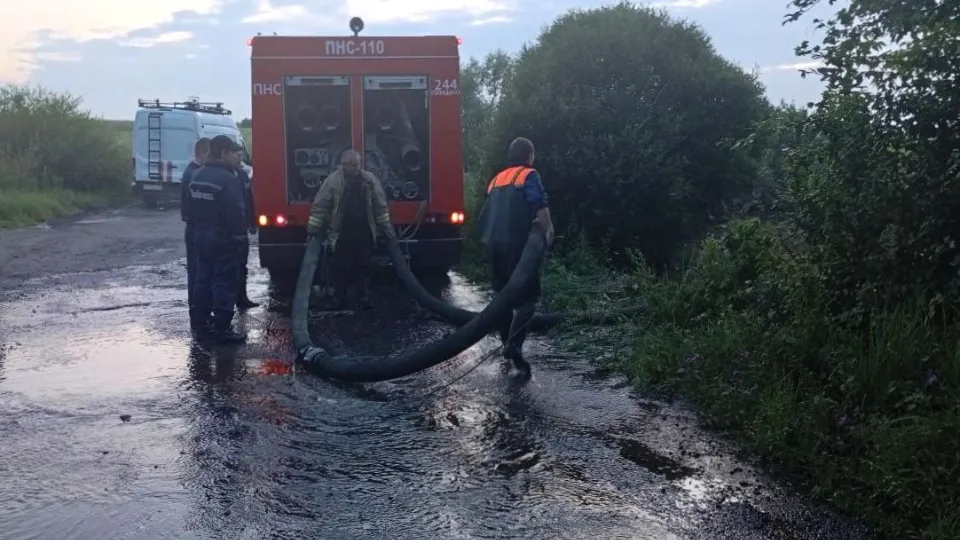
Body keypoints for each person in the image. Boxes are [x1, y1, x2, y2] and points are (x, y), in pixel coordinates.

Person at [476, 137, 555, 378]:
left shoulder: (497, 179)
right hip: (518, 247)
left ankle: (506, 344)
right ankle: (514, 345)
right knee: (529, 299)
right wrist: (548, 229)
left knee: (503, 297)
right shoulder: (528, 175)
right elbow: (539, 203)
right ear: (529, 156)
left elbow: (483, 215)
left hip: (494, 245)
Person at [306, 149, 394, 310]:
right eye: (351, 165)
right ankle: (340, 297)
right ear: (343, 165)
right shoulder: (333, 181)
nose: (355, 168)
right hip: (342, 233)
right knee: (340, 267)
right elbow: (321, 206)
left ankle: (362, 297)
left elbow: (380, 206)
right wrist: (313, 229)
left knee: (363, 265)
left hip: (363, 232)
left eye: (357, 164)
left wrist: (385, 227)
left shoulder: (369, 180)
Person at [187, 134, 249, 344]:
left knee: (203, 279)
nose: (235, 157)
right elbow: (236, 213)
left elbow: (190, 209)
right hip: (223, 238)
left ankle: (201, 322)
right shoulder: (228, 179)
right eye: (232, 152)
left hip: (201, 235)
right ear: (223, 153)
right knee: (225, 281)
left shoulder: (198, 175)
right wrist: (240, 239)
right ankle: (222, 327)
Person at [180, 137, 211, 333]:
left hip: (194, 227)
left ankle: (199, 312)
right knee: (196, 272)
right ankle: (197, 313)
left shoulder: (191, 172)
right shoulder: (194, 174)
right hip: (195, 228)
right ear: (204, 153)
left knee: (197, 271)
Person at [233, 159, 259, 309]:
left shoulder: (242, 175)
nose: (239, 158)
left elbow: (249, 199)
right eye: (235, 154)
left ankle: (242, 298)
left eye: (240, 155)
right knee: (228, 267)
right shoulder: (226, 177)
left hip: (242, 227)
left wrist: (252, 221)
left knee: (242, 265)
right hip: (229, 230)